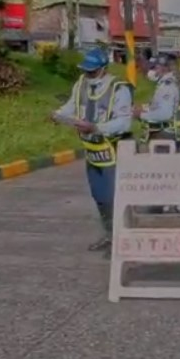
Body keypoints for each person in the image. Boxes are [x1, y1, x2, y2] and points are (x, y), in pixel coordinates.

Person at [52, 47, 133, 259]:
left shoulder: (119, 88)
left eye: (92, 72)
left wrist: (97, 128)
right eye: (86, 71)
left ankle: (122, 240)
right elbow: (72, 106)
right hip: (93, 151)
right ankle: (109, 235)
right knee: (99, 197)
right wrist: (58, 115)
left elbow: (124, 122)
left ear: (103, 69)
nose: (88, 75)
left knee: (114, 198)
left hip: (113, 150)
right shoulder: (81, 84)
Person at [134, 54, 180, 143]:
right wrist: (144, 108)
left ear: (163, 68)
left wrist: (141, 115)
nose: (151, 71)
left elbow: (164, 114)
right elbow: (159, 105)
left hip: (166, 134)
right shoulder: (167, 84)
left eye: (154, 68)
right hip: (172, 133)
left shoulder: (167, 86)